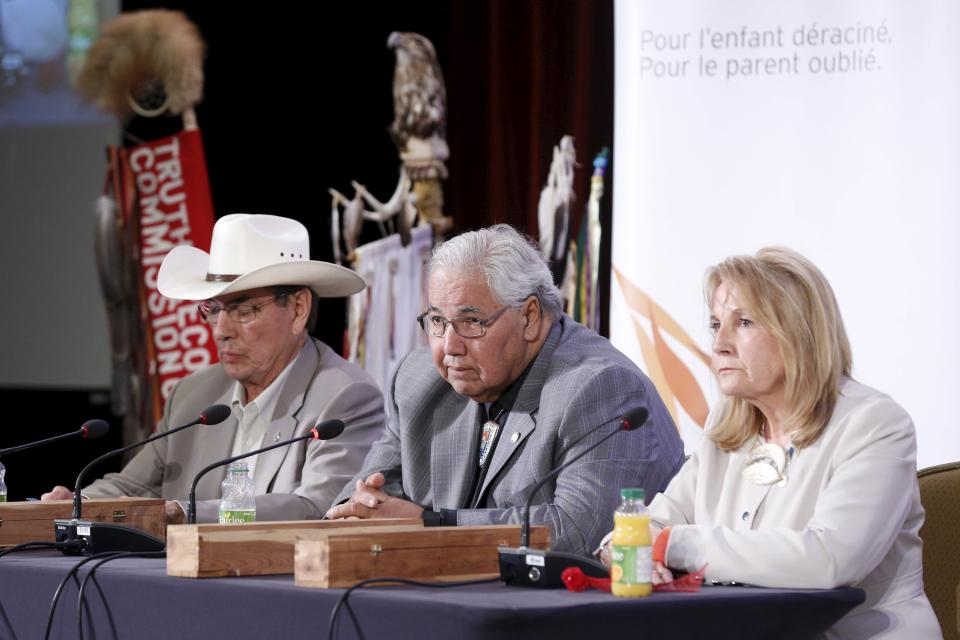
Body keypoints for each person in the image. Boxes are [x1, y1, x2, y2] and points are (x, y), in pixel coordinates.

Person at [600, 247, 939, 638]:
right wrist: (625, 550)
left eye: (743, 322)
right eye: (715, 325)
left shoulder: (874, 425)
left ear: (798, 333)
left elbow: (829, 560)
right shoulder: (727, 430)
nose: (719, 345)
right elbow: (653, 523)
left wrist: (674, 546)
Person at [327, 224, 685, 556]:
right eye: (437, 321)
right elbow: (356, 503)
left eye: (471, 322)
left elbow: (583, 532)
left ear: (529, 317)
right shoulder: (419, 382)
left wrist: (432, 526)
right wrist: (367, 506)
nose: (449, 345)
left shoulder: (600, 389)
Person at [42, 214, 385, 523]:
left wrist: (186, 513)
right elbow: (134, 485)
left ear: (298, 309)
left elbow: (316, 508)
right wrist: (77, 503)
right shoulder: (193, 395)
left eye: (244, 310)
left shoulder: (345, 397)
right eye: (213, 308)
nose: (221, 330)